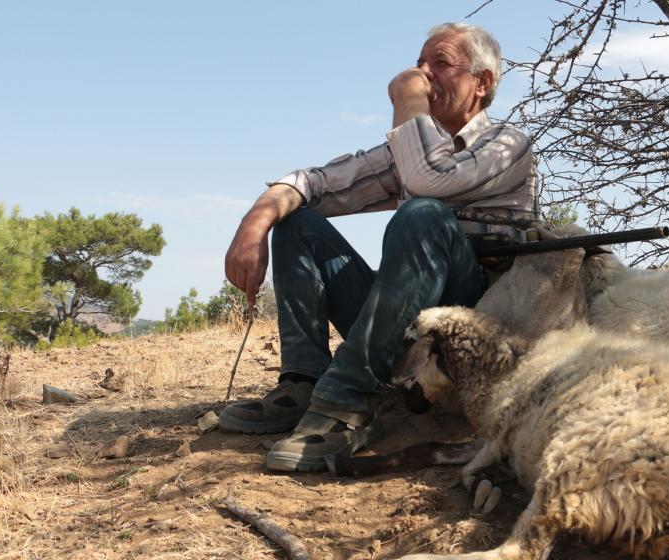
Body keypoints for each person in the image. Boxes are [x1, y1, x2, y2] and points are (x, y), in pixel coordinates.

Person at [222, 22, 537, 472]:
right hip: (403, 322)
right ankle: (302, 382)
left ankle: (345, 402)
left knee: (423, 213)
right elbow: (312, 183)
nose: (423, 75)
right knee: (297, 222)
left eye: (440, 63)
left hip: (474, 327)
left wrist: (407, 100)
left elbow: (429, 180)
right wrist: (253, 226)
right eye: (419, 65)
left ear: (481, 83)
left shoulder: (508, 144)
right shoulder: (409, 153)